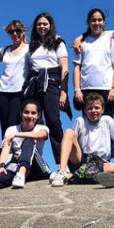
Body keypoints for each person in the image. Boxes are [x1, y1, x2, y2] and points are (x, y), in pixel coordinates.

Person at [24, 12, 70, 162]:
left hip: (51, 83)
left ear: (50, 26)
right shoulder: (31, 46)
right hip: (34, 84)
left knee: (53, 120)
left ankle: (61, 162)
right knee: (33, 122)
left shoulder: (58, 42)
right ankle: (33, 161)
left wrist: (64, 91)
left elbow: (64, 68)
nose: (42, 27)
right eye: (39, 24)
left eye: (45, 24)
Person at [49, 92, 114, 187]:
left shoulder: (108, 121)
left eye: (97, 108)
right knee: (69, 132)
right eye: (89, 108)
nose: (93, 111)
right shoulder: (80, 121)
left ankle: (70, 176)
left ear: (102, 110)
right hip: (82, 159)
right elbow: (71, 140)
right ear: (85, 111)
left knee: (112, 167)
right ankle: (62, 171)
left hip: (101, 161)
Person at [0, 99, 51, 189]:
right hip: (18, 166)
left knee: (29, 140)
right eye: (26, 112)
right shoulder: (11, 129)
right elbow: (6, 148)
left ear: (38, 116)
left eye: (33, 113)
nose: (29, 116)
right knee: (6, 173)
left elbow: (39, 135)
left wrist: (16, 134)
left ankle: (21, 174)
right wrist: (1, 166)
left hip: (37, 167)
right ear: (21, 113)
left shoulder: (41, 128)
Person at [72, 8, 114, 116]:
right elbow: (77, 68)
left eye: (99, 20)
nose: (97, 23)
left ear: (104, 22)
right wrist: (77, 89)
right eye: (93, 20)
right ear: (88, 22)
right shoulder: (82, 42)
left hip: (106, 89)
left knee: (106, 122)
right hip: (86, 89)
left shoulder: (111, 37)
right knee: (87, 125)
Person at [0, 20, 30, 137]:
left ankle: (14, 152)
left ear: (23, 31)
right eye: (11, 31)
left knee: (13, 125)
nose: (14, 34)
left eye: (17, 30)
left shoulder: (30, 48)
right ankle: (5, 152)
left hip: (19, 92)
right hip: (1, 91)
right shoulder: (5, 49)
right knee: (4, 126)